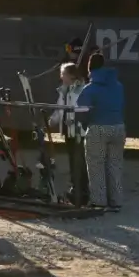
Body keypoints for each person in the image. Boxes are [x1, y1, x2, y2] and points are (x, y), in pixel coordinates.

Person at [75, 52, 125, 211]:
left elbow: (81, 111)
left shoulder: (90, 89)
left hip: (98, 127)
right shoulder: (118, 85)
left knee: (96, 164)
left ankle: (98, 201)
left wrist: (82, 125)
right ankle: (116, 201)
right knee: (115, 165)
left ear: (90, 69)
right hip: (118, 127)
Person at [50, 62, 89, 205]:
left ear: (70, 75)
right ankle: (75, 189)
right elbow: (59, 109)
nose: (61, 76)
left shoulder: (81, 89)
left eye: (63, 74)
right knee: (72, 160)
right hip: (68, 130)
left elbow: (81, 108)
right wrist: (51, 122)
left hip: (78, 130)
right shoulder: (64, 90)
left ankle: (83, 191)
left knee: (79, 160)